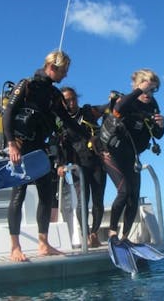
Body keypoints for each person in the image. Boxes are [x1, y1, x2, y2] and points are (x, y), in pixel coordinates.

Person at [2, 50, 88, 262]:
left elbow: (67, 122)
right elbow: (8, 113)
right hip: (20, 148)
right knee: (18, 194)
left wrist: (91, 137)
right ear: (53, 67)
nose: (65, 76)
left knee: (47, 195)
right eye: (64, 71)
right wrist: (11, 145)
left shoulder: (54, 95)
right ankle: (15, 247)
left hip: (40, 149)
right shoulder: (26, 85)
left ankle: (43, 244)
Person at [98, 69, 164, 242]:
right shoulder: (127, 100)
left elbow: (157, 134)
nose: (149, 94)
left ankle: (125, 237)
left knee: (134, 196)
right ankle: (113, 234)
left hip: (131, 156)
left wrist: (162, 125)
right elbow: (118, 108)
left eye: (153, 90)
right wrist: (139, 91)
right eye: (147, 89)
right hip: (111, 153)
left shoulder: (152, 105)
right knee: (124, 191)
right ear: (138, 86)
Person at [58, 86, 107, 247]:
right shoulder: (61, 121)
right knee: (82, 202)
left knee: (98, 201)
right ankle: (85, 233)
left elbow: (105, 108)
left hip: (97, 162)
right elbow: (58, 145)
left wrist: (114, 101)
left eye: (73, 99)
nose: (71, 102)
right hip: (79, 166)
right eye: (67, 100)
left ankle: (94, 233)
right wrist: (60, 164)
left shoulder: (88, 112)